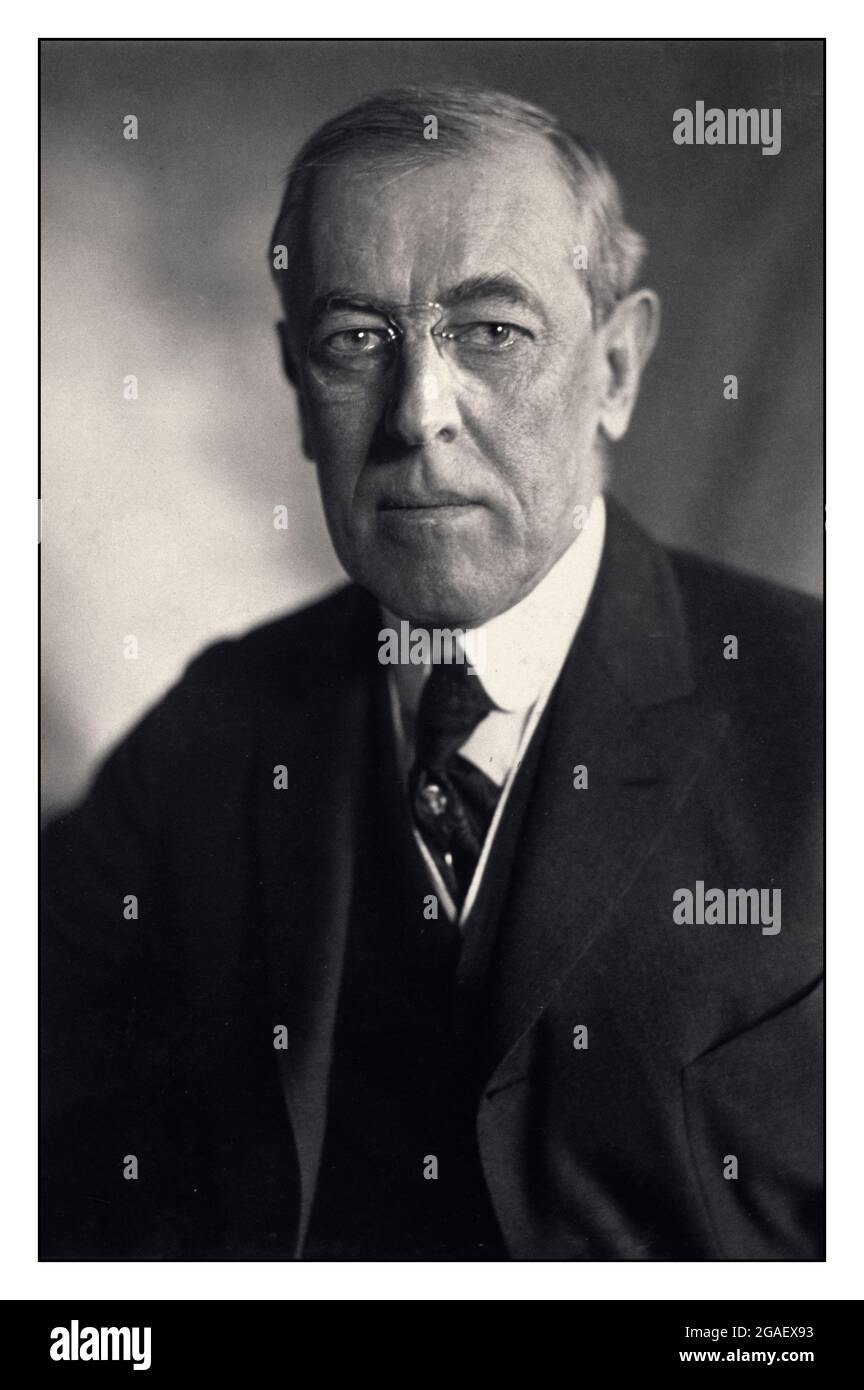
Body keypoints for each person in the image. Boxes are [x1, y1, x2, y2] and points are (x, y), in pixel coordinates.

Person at [41, 85, 822, 1261]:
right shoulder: (215, 731)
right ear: (299, 388)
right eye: (357, 340)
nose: (418, 413)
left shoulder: (825, 714)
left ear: (616, 367)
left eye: (491, 333)